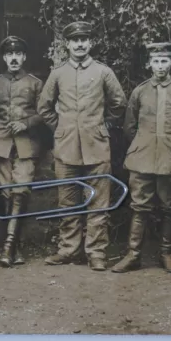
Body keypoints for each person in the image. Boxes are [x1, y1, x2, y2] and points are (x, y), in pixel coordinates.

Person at [37, 21, 127, 271]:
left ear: (91, 43)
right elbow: (44, 108)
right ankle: (69, 250)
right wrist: (62, 128)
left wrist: (102, 126)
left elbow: (119, 103)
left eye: (84, 39)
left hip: (96, 147)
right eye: (74, 40)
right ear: (67, 44)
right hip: (66, 148)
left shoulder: (103, 72)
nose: (79, 44)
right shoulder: (58, 73)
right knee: (67, 201)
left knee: (98, 202)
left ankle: (96, 252)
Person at [111, 43, 171, 274]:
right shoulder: (140, 91)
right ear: (149, 64)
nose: (160, 66)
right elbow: (129, 126)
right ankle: (133, 254)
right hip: (142, 159)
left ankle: (166, 254)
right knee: (139, 206)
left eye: (164, 61)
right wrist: (141, 145)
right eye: (155, 61)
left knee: (169, 207)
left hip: (169, 160)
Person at [0, 36, 44, 267]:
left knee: (21, 191)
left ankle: (9, 246)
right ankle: (12, 245)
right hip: (0, 146)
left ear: (24, 57)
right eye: (10, 54)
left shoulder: (35, 83)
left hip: (26, 145)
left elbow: (44, 113)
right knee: (6, 193)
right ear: (4, 57)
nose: (14, 58)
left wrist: (27, 123)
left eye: (18, 54)